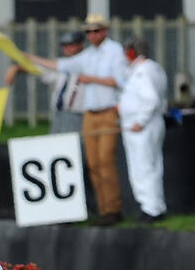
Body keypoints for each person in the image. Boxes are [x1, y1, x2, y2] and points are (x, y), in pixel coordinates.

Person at [26, 14, 128, 225]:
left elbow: (119, 81)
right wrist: (30, 58)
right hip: (90, 114)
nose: (92, 35)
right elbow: (61, 65)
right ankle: (103, 210)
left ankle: (113, 209)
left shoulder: (115, 51)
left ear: (105, 31)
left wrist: (91, 79)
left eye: (96, 30)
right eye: (88, 31)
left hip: (108, 112)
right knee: (93, 164)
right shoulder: (88, 55)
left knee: (105, 162)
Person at [118, 36, 169, 222]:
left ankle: (151, 209)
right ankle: (155, 206)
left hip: (142, 127)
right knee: (152, 165)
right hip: (150, 124)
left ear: (132, 52)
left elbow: (151, 99)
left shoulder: (142, 71)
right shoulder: (154, 68)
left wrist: (140, 120)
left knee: (143, 167)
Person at [5, 30, 85, 135]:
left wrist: (31, 58)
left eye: (71, 45)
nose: (67, 48)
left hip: (77, 114)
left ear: (81, 45)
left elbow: (57, 65)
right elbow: (41, 70)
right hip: (59, 113)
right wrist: (17, 68)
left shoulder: (85, 62)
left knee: (75, 145)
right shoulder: (62, 64)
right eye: (64, 45)